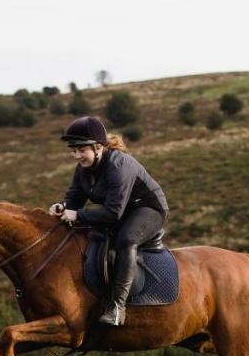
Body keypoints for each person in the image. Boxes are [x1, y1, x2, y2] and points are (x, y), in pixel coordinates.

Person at [49, 116, 168, 326]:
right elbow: (74, 199)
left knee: (126, 239)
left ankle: (117, 307)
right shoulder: (83, 169)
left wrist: (77, 215)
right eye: (73, 150)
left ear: (97, 147)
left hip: (148, 209)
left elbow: (112, 214)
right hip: (120, 211)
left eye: (81, 150)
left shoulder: (118, 165)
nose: (77, 155)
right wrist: (62, 208)